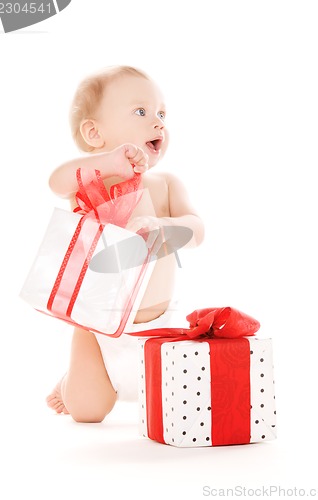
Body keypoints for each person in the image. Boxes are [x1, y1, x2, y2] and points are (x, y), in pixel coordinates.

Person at [45, 65, 204, 422]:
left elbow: (197, 229)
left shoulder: (164, 185)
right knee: (87, 411)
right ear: (94, 133)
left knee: (177, 410)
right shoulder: (90, 186)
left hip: (159, 328)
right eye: (141, 112)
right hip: (100, 330)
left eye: (162, 113)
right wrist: (105, 163)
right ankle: (72, 380)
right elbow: (56, 182)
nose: (158, 122)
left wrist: (163, 226)